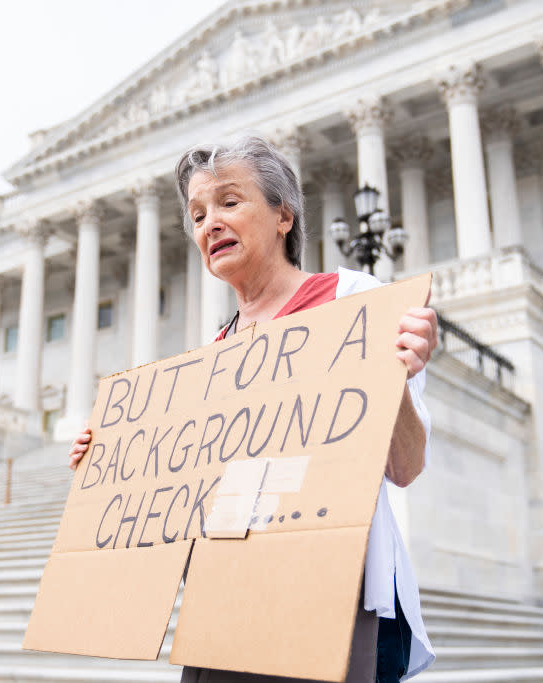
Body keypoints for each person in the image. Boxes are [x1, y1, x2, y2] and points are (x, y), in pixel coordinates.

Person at [69, 135, 438, 683]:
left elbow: (404, 468)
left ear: (284, 215)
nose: (209, 224)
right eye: (197, 215)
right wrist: (112, 465)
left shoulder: (353, 299)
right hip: (230, 607)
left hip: (333, 597)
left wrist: (398, 382)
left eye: (229, 202)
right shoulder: (212, 356)